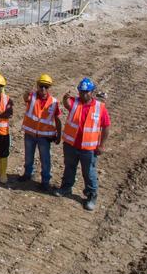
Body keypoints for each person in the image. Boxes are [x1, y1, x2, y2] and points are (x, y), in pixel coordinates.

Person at [54, 78, 110, 211]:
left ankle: (91, 195)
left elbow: (106, 127)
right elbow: (67, 104)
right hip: (71, 145)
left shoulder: (99, 108)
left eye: (86, 92)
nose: (83, 94)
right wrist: (64, 98)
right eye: (81, 91)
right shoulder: (75, 102)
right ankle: (66, 187)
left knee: (89, 172)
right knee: (69, 168)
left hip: (89, 148)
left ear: (92, 92)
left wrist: (101, 145)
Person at [19, 74, 61, 192]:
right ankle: (27, 174)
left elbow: (57, 120)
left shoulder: (53, 102)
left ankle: (45, 181)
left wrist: (59, 135)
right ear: (37, 86)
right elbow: (25, 97)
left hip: (44, 136)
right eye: (41, 86)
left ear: (49, 88)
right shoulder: (31, 97)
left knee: (45, 159)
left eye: (46, 87)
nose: (43, 89)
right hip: (30, 134)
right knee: (28, 156)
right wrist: (27, 91)